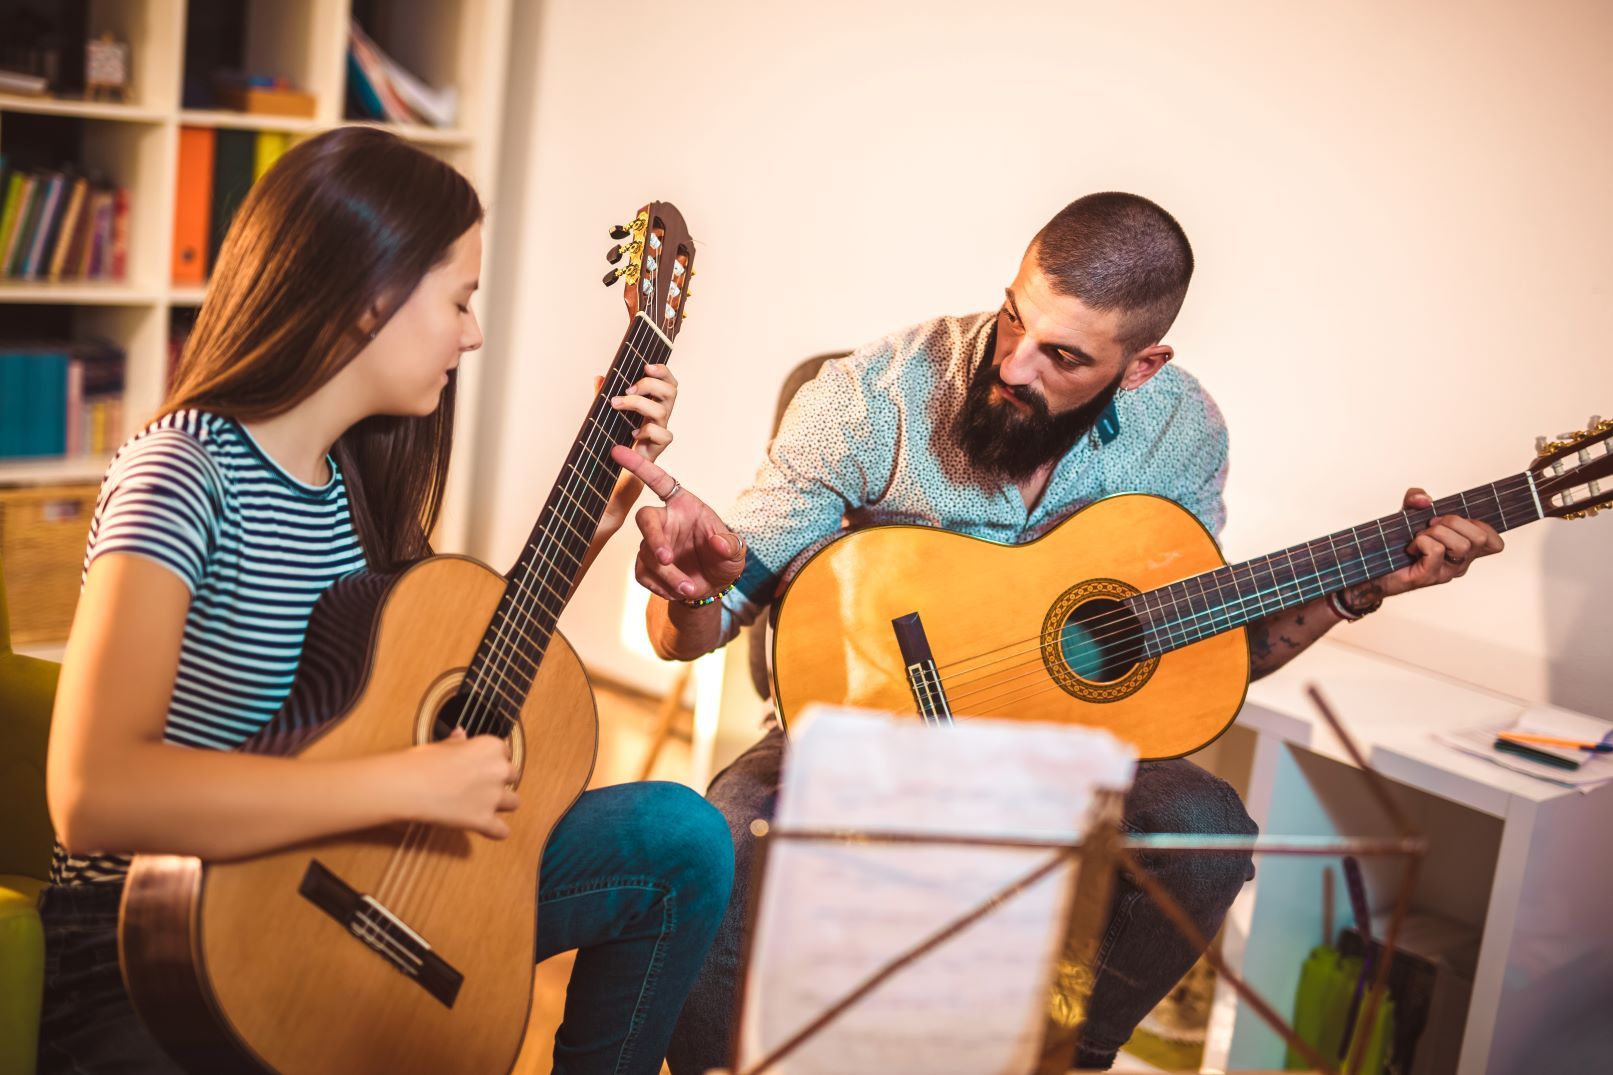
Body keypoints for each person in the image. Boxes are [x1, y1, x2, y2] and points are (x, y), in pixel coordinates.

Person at [612, 191, 1504, 1072]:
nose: (1015, 365)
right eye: (1013, 319)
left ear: (1142, 364)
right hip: (862, 728)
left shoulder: (1179, 431)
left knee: (1206, 831)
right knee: (722, 836)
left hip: (1059, 752)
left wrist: (1354, 592)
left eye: (1064, 356)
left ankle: (1062, 1052)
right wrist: (688, 595)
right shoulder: (868, 395)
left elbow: (1195, 651)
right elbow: (693, 628)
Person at [40, 127, 734, 1075]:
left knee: (680, 839)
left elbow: (442, 669)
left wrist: (599, 519)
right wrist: (407, 785)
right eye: (459, 299)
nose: (473, 331)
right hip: (161, 938)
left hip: (341, 863)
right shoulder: (180, 474)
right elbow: (93, 794)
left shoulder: (349, 484)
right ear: (371, 293)